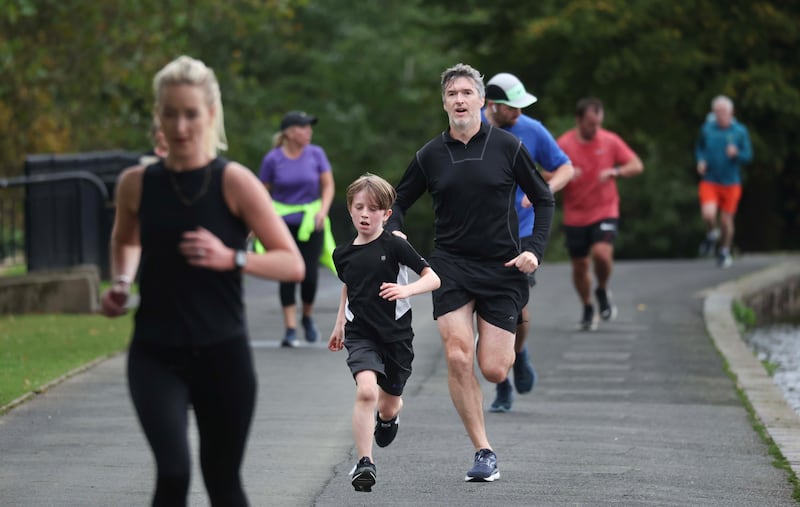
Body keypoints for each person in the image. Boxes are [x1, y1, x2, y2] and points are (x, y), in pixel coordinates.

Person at [99, 55, 305, 506]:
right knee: (173, 473)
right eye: (169, 113)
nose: (180, 125)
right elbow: (125, 240)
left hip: (221, 353)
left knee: (222, 482)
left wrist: (230, 257)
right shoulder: (136, 183)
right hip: (155, 352)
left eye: (190, 113)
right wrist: (120, 282)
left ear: (211, 114)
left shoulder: (234, 182)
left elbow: (292, 264)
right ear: (159, 116)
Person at [386, 63, 555, 482]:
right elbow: (398, 202)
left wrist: (534, 250)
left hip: (502, 267)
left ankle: (511, 339)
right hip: (451, 266)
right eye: (452, 94)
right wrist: (396, 233)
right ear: (444, 103)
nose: (459, 100)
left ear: (482, 100)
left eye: (466, 92)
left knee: (495, 368)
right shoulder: (430, 155)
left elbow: (544, 198)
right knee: (458, 355)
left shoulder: (508, 147)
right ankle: (484, 451)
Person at [328, 173, 440, 492]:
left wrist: (408, 291)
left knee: (388, 404)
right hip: (360, 334)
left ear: (386, 214)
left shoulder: (396, 246)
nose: (365, 214)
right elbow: (350, 286)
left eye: (374, 208)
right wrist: (339, 323)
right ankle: (366, 463)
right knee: (366, 391)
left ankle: (389, 418)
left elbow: (433, 279)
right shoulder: (342, 253)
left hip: (396, 338)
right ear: (350, 209)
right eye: (359, 207)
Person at [482, 72, 575, 413]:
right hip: (481, 234)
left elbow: (565, 167)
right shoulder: (473, 127)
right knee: (485, 310)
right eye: (512, 107)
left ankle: (517, 357)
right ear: (492, 105)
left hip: (521, 232)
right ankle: (502, 382)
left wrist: (542, 191)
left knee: (514, 308)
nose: (519, 113)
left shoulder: (532, 130)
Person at [557, 97, 644, 331]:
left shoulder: (610, 140)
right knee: (580, 265)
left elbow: (636, 164)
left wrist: (617, 171)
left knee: (602, 254)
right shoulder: (564, 144)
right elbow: (545, 173)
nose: (594, 129)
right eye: (589, 124)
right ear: (578, 121)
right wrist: (566, 173)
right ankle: (587, 305)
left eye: (598, 124)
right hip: (575, 214)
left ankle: (602, 288)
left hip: (605, 209)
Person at [258, 110, 335, 347]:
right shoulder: (273, 159)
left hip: (311, 222)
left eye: (309, 127)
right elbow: (262, 191)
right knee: (287, 274)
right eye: (303, 127)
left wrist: (322, 211)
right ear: (290, 133)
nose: (308, 131)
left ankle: (308, 317)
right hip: (281, 224)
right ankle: (290, 328)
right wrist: (258, 221)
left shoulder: (316, 154)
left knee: (309, 275)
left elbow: (328, 185)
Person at [695, 95, 753, 268]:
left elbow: (748, 156)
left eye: (724, 111)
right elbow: (700, 147)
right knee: (708, 214)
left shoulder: (740, 131)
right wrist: (701, 161)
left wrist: (737, 154)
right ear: (713, 112)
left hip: (731, 182)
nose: (721, 114)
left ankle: (725, 250)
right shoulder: (707, 129)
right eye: (717, 111)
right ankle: (712, 233)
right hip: (710, 180)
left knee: (727, 221)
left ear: (731, 112)